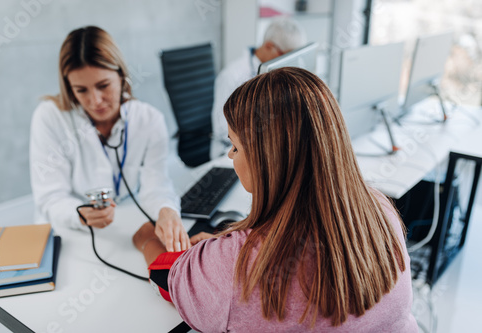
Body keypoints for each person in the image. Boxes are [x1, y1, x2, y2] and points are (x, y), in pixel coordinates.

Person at [133, 67, 418, 332]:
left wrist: (147, 239)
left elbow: (166, 276)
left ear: (265, 159)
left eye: (235, 146)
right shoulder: (379, 209)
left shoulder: (237, 266)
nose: (231, 156)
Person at [30, 26, 191, 252]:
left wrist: (166, 209)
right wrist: (79, 213)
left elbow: (156, 184)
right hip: (68, 235)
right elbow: (50, 198)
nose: (95, 101)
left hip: (122, 228)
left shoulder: (149, 120)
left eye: (103, 86)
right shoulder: (50, 117)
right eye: (81, 90)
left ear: (121, 75)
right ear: (69, 88)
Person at [210, 16, 307, 159]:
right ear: (268, 46)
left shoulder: (277, 72)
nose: (288, 64)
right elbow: (221, 129)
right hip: (232, 151)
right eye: (285, 56)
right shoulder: (232, 76)